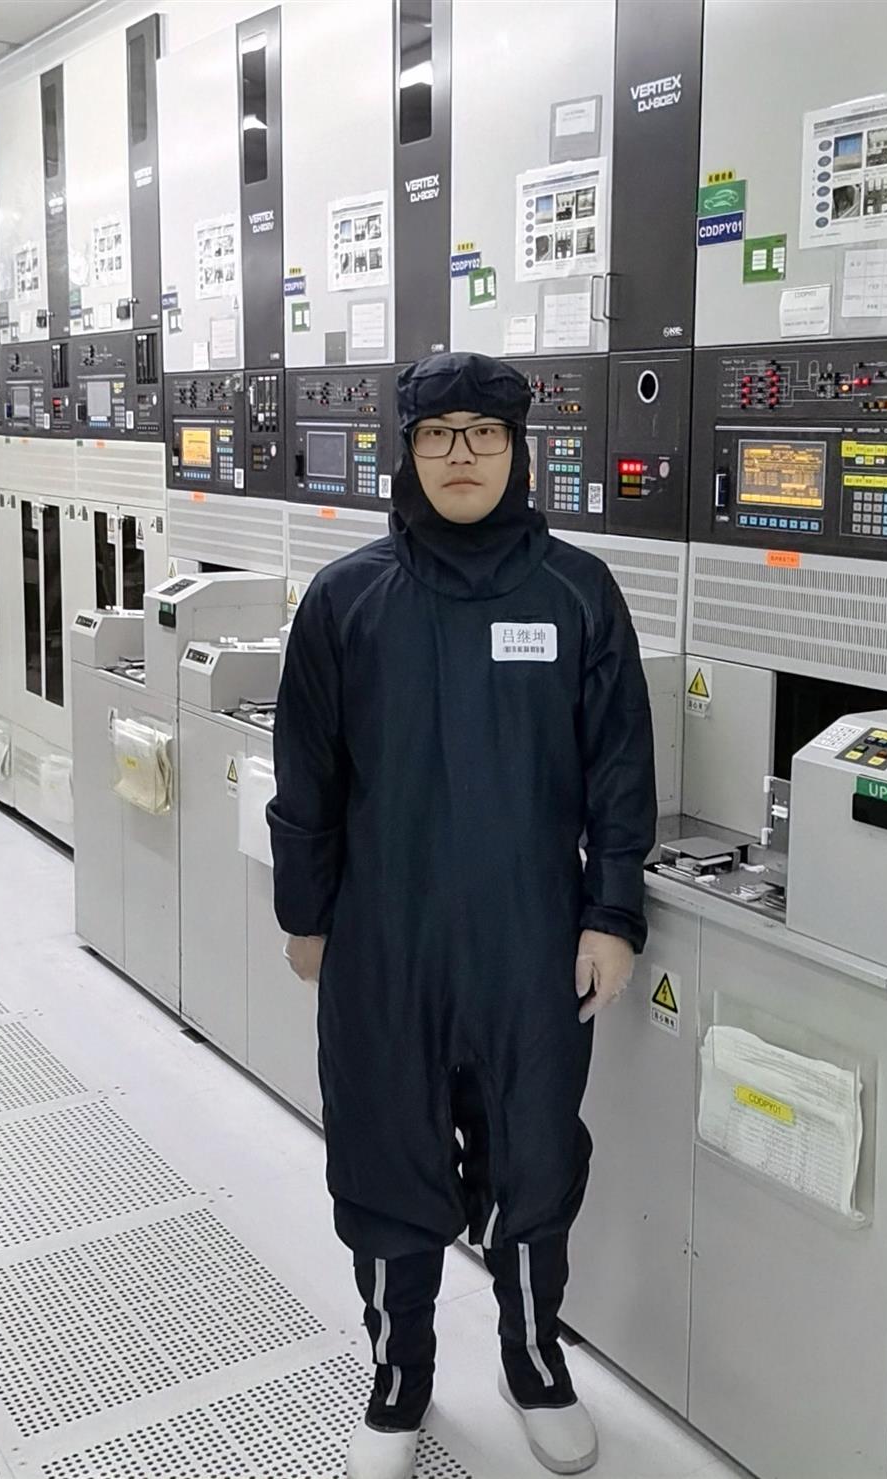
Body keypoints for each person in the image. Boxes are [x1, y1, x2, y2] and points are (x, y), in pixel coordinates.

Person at [268, 352, 657, 1478]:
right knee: (385, 1156)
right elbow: (308, 774)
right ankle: (399, 1377)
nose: (461, 455)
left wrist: (611, 912)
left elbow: (619, 767)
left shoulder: (576, 592)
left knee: (534, 1155)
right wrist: (306, 913)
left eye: (484, 434)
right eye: (438, 435)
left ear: (518, 450)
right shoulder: (348, 599)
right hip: (383, 941)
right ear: (407, 451)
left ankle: (532, 1362)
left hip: (530, 939)